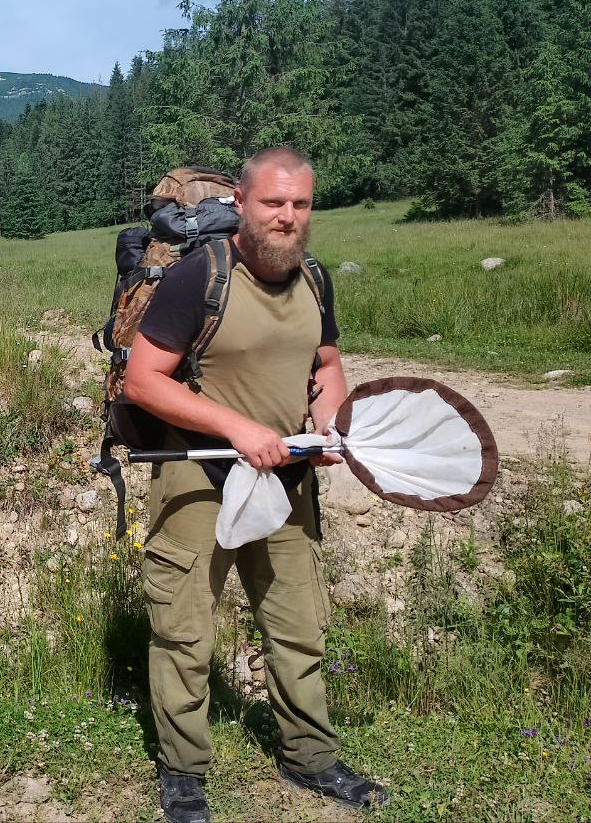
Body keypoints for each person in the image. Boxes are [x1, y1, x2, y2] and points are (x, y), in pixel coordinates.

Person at [122, 148, 388, 822]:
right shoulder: (198, 279)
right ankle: (183, 774)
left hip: (288, 479)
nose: (288, 217)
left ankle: (312, 757)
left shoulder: (315, 280)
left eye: (300, 204)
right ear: (243, 203)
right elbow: (144, 380)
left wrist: (330, 427)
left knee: (299, 627)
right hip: (199, 474)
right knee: (184, 631)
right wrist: (236, 428)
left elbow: (325, 364)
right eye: (274, 203)